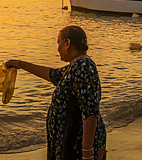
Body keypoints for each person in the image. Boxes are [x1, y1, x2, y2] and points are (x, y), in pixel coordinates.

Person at [6, 26, 106, 160]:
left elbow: (90, 112)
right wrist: (20, 64)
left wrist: (87, 153)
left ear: (67, 43)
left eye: (58, 42)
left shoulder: (83, 67)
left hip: (76, 146)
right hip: (69, 143)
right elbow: (52, 74)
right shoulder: (75, 66)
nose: (57, 48)